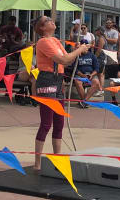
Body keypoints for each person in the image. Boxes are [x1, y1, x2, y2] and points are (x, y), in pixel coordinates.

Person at [32, 16, 89, 171]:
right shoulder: (43, 42)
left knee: (59, 123)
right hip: (47, 81)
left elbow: (68, 59)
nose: (52, 21)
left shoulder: (56, 41)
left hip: (58, 82)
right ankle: (37, 163)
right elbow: (63, 60)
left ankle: (57, 158)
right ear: (43, 27)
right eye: (48, 20)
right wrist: (78, 50)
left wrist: (77, 50)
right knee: (46, 123)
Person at [66, 40, 101, 107]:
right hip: (80, 75)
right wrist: (82, 75)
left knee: (96, 82)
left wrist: (91, 75)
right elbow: (74, 68)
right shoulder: (77, 56)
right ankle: (85, 101)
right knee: (77, 81)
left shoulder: (92, 56)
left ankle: (84, 101)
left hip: (90, 75)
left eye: (86, 46)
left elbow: (97, 69)